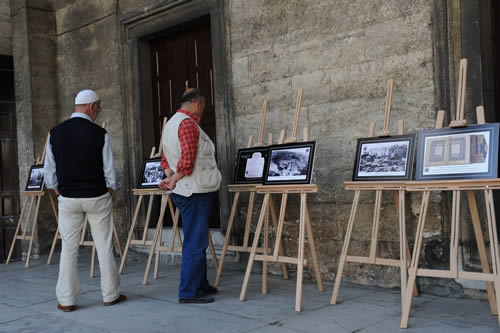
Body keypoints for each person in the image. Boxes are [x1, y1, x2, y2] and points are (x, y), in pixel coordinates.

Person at [44, 89, 126, 312]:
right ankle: (110, 295)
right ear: (91, 106)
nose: (98, 112)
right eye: (98, 107)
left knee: (69, 248)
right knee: (104, 247)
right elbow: (109, 170)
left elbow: (49, 172)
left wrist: (57, 190)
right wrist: (110, 189)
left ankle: (66, 300)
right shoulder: (100, 134)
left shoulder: (55, 133)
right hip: (96, 196)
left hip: (68, 198)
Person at [159, 88, 221, 304]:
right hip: (193, 189)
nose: (203, 110)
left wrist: (169, 176)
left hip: (185, 189)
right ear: (196, 103)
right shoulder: (186, 123)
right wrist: (174, 178)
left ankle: (200, 285)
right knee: (195, 241)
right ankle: (188, 292)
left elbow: (165, 157)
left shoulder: (171, 124)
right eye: (203, 106)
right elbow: (188, 158)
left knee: (197, 238)